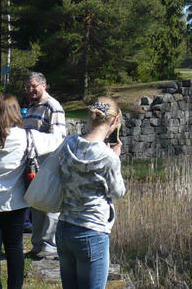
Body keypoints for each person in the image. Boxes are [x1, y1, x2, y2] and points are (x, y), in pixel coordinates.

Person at [0, 95, 64, 289]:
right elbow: (58, 139)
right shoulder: (26, 137)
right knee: (14, 248)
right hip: (14, 201)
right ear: (15, 113)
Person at [56, 97, 126, 289]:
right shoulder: (108, 157)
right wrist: (116, 157)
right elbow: (117, 192)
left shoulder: (68, 143)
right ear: (114, 121)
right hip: (91, 230)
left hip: (64, 227)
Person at [22, 71, 66, 260]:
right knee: (36, 204)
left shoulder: (52, 106)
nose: (31, 90)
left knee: (48, 207)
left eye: (34, 86)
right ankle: (38, 244)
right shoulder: (32, 107)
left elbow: (58, 138)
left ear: (44, 85)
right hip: (33, 164)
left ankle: (48, 247)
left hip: (48, 164)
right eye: (29, 86)